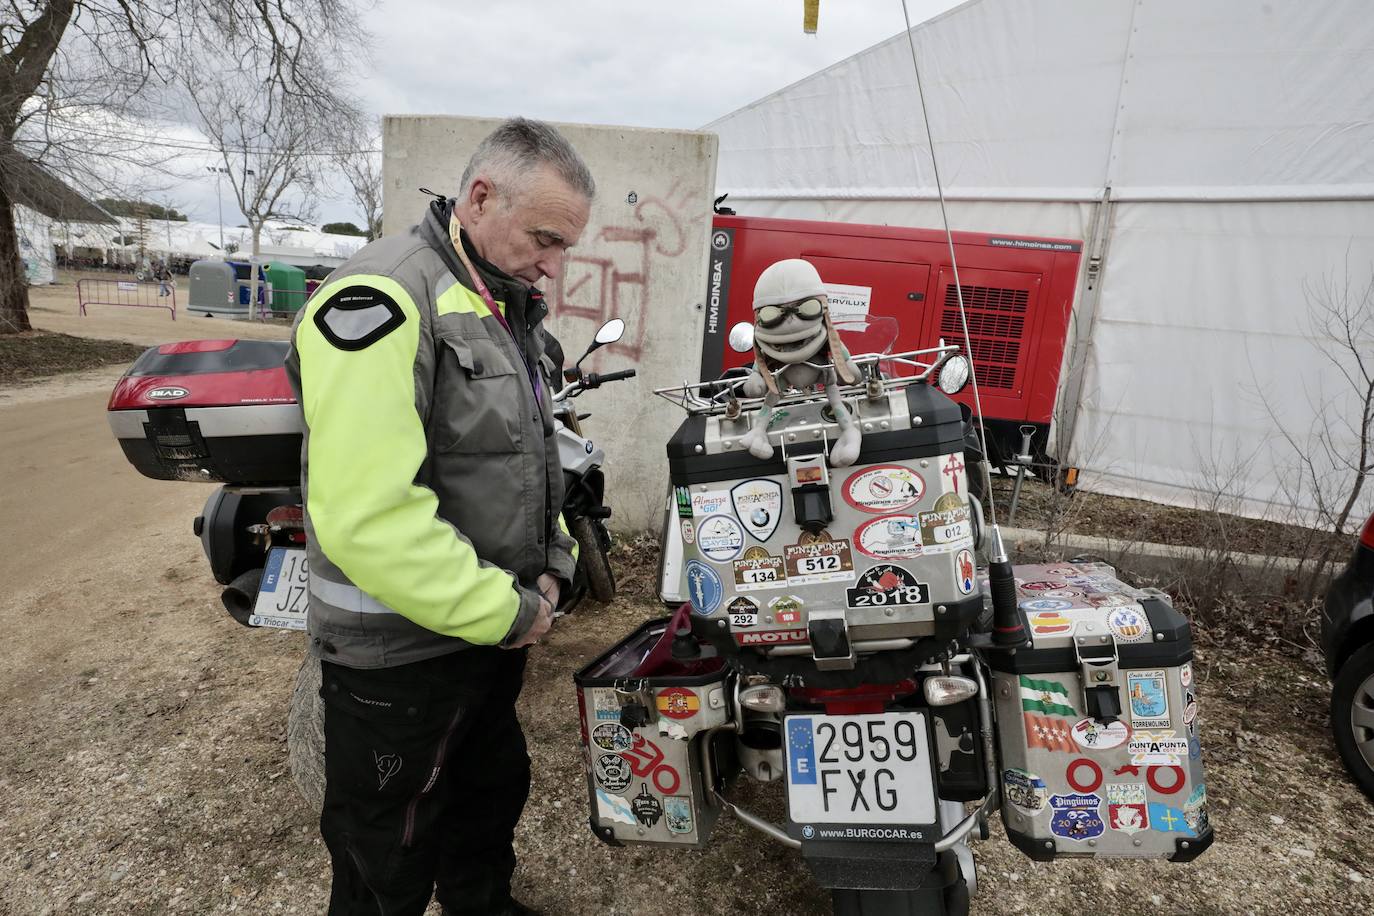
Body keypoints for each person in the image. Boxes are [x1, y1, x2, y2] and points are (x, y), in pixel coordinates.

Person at [284, 117, 594, 916]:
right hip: (399, 658)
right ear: (480, 196)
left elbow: (535, 462)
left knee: (485, 802)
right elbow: (367, 517)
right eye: (545, 239)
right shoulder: (381, 297)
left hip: (488, 637)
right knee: (383, 854)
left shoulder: (499, 302)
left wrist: (554, 564)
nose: (556, 267)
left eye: (565, 248)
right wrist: (511, 611)